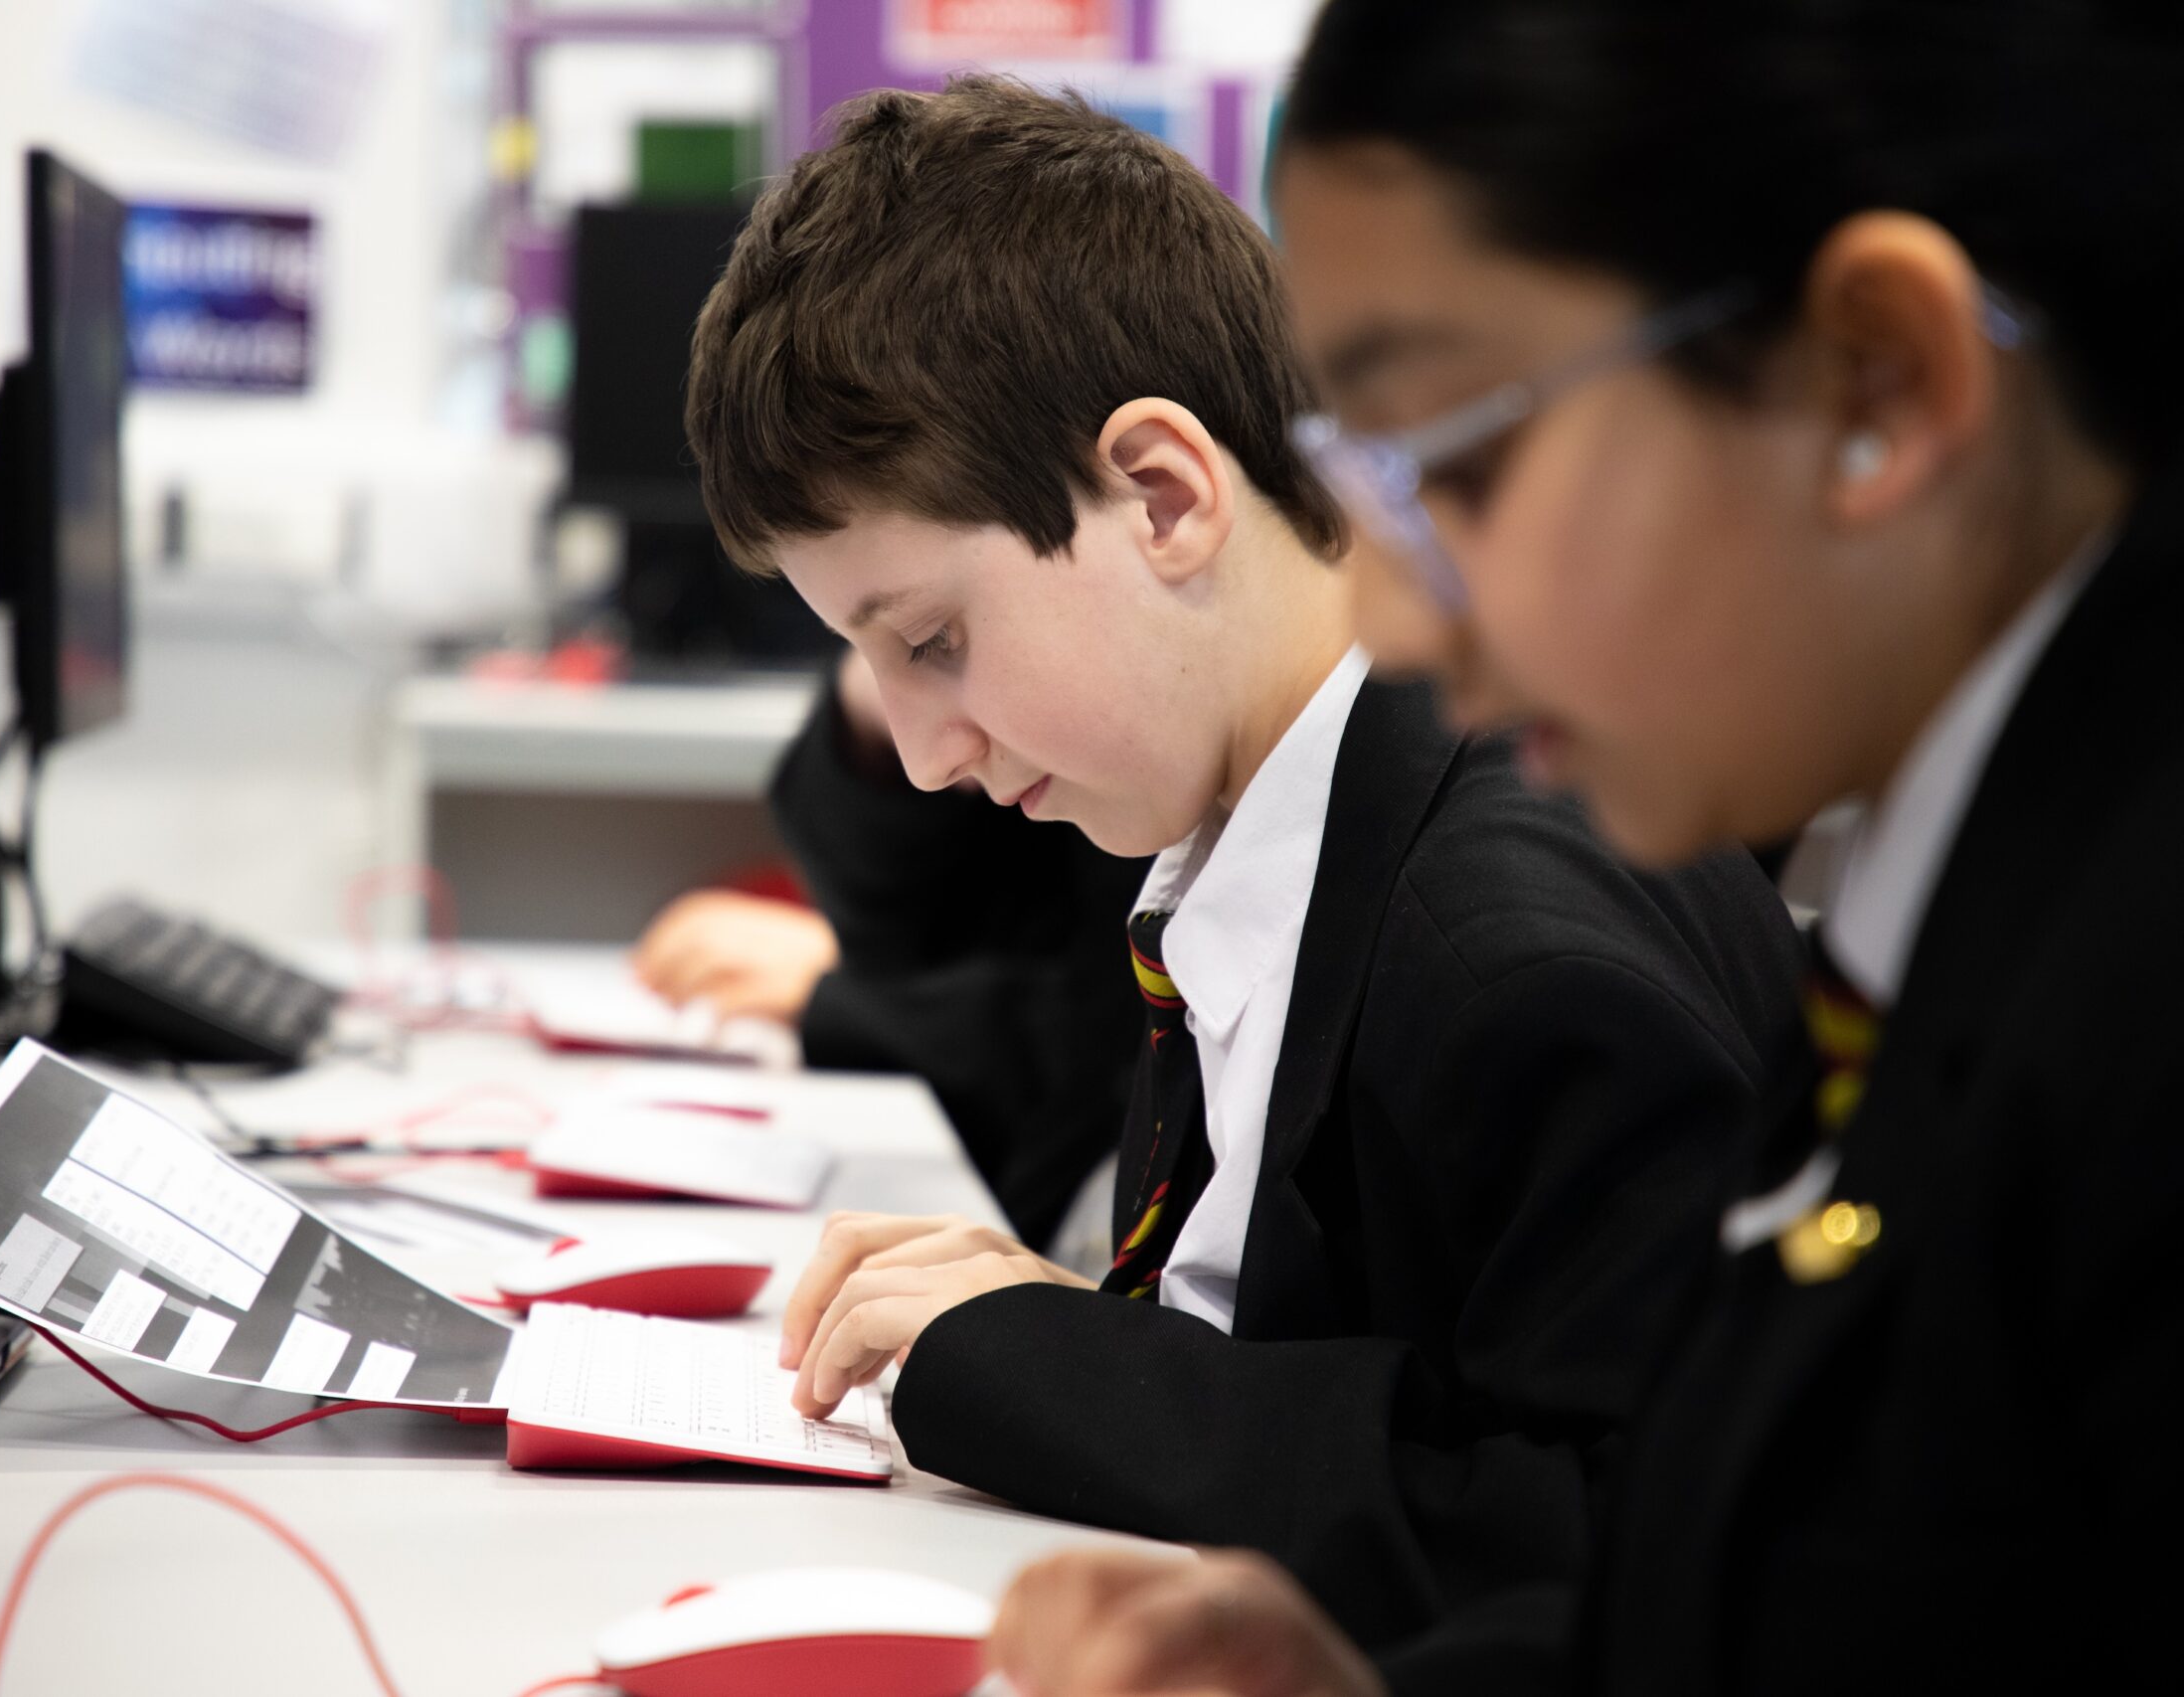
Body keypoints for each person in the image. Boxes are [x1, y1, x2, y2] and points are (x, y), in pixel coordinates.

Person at [990, 1, 2184, 1692]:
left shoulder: (2131, 1012)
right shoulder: (1969, 886)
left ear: (1880, 378)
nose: (1392, 614)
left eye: (1457, 464)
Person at [684, 73, 1800, 1670]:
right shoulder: (1255, 812)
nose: (926, 751)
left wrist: (1089, 1380)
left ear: (1163, 494)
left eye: (933, 641)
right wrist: (1062, 1319)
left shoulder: (1512, 953)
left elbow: (1614, 1533)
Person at [632, 646, 1149, 1249]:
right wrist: (865, 716)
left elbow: (1122, 1047)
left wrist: (841, 1004)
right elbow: (911, 929)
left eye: (934, 637)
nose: (927, 768)